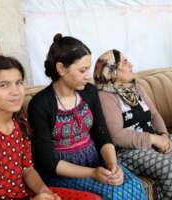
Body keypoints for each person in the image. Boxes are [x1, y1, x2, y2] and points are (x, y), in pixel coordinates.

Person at [0, 55, 101, 200]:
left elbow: (27, 169)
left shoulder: (19, 122)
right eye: (4, 85)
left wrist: (45, 192)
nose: (16, 91)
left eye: (19, 83)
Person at [28, 33, 146, 200]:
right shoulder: (40, 104)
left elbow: (102, 134)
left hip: (95, 161)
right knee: (116, 194)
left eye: (88, 69)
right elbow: (46, 161)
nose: (88, 76)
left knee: (134, 186)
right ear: (61, 68)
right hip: (63, 173)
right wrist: (92, 173)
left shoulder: (89, 92)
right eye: (82, 70)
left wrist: (113, 166)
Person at [94, 49, 172, 200]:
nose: (131, 65)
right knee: (171, 169)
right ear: (112, 71)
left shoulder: (135, 88)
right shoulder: (105, 96)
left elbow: (155, 115)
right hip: (128, 151)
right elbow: (117, 136)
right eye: (124, 62)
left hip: (154, 139)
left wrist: (164, 135)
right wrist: (155, 140)